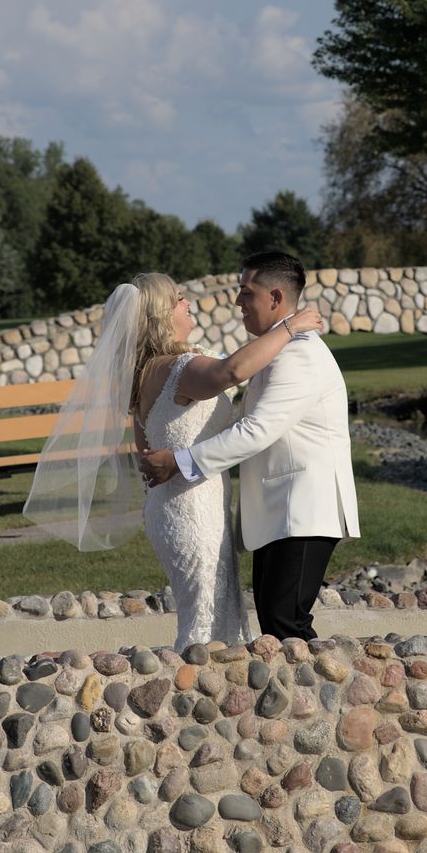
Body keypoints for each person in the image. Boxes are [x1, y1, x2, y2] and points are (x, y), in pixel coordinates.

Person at [23, 271, 324, 650]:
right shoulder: (180, 370)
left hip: (173, 506)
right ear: (161, 317)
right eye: (178, 299)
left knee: (209, 613)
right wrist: (289, 327)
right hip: (193, 508)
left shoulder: (146, 371)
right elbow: (231, 371)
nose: (188, 303)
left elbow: (145, 446)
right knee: (207, 621)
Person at [139, 252, 360, 642]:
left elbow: (256, 430)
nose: (237, 302)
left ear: (275, 297)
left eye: (245, 293)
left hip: (302, 508)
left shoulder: (301, 355)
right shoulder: (272, 350)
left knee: (285, 623)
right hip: (274, 512)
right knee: (274, 624)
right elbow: (229, 373)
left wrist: (181, 460)